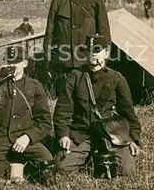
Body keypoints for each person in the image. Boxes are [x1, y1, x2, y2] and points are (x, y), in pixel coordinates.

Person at [54, 35, 141, 177]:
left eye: (97, 50)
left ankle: (97, 160)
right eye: (89, 50)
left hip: (110, 134)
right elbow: (63, 110)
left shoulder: (116, 79)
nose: (93, 54)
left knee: (126, 171)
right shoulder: (74, 77)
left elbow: (128, 112)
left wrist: (133, 139)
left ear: (106, 53)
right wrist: (63, 135)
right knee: (62, 167)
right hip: (81, 134)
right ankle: (91, 159)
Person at [0, 46, 53, 183]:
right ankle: (15, 166)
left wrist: (28, 137)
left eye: (16, 62)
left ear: (25, 63)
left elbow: (45, 122)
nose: (12, 65)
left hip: (23, 139)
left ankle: (15, 165)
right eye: (9, 61)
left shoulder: (34, 86)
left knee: (47, 161)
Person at [43, 0, 111, 87]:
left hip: (87, 64)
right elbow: (49, 36)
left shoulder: (95, 2)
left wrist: (103, 62)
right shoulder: (58, 2)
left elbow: (104, 35)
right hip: (63, 64)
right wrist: (48, 63)